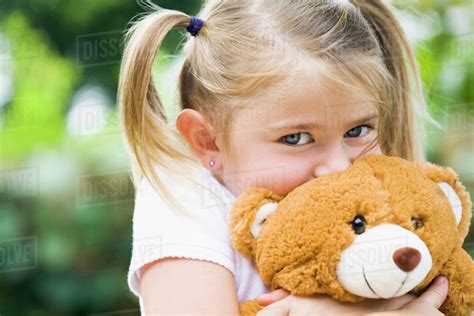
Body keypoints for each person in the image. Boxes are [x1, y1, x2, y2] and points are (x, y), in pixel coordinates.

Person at [118, 0, 449, 314]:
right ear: (208, 141)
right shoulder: (186, 199)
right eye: (296, 138)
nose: (337, 168)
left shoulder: (389, 202)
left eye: (358, 130)